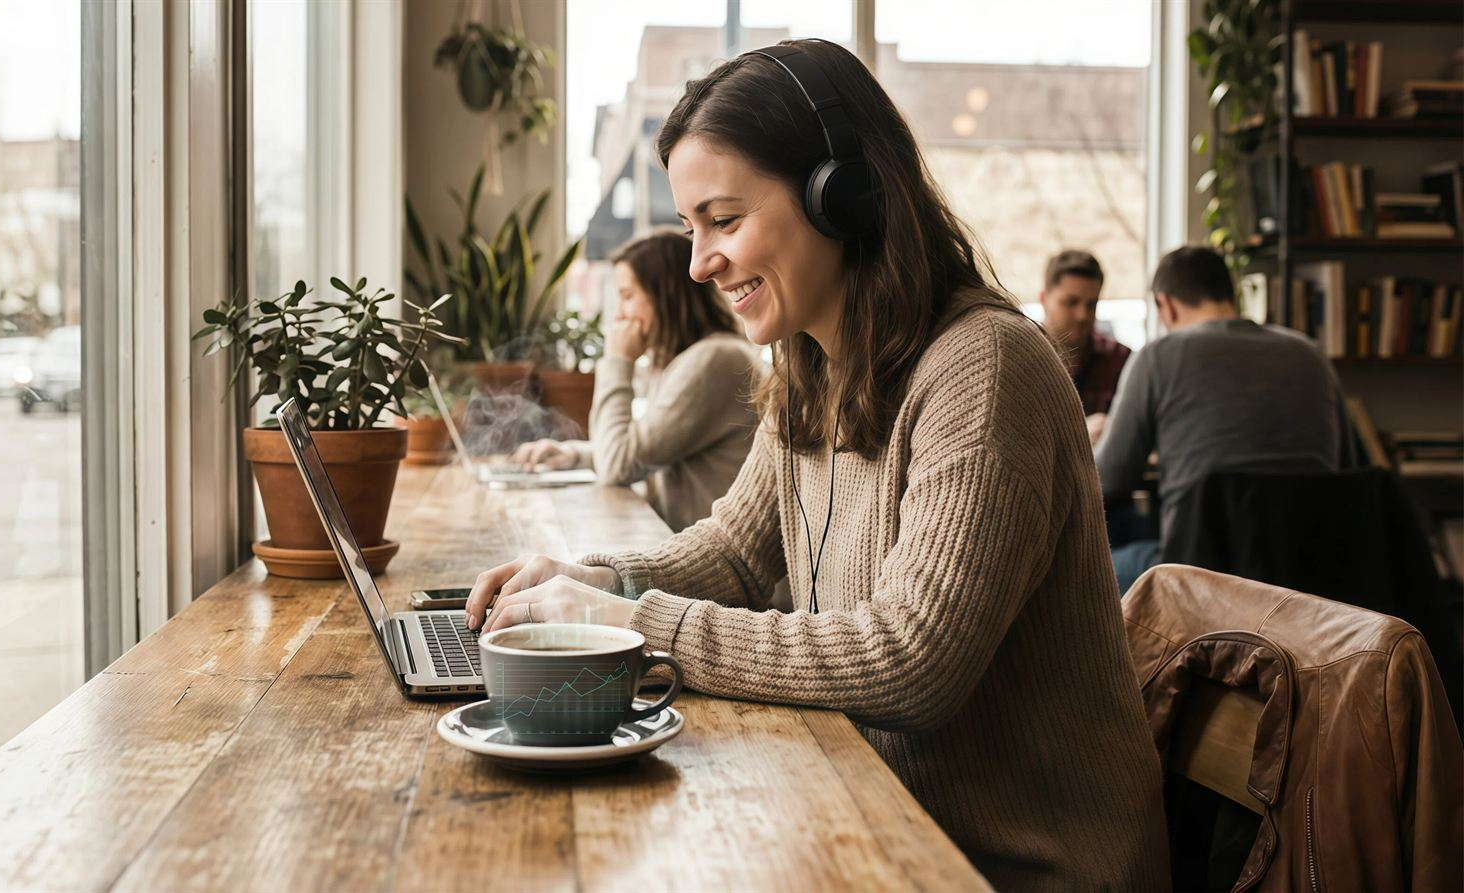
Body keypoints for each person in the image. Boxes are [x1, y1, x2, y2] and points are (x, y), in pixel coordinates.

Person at [466, 39, 1169, 889]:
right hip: (879, 817)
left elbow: (913, 661)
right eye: (692, 228)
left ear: (843, 196)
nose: (699, 263)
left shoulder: (985, 369)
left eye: (725, 221)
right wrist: (590, 580)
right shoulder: (809, 364)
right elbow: (734, 552)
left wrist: (635, 624)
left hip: (1017, 866)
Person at [1095, 245, 1355, 594]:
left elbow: (1108, 481)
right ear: (1229, 295)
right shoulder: (1311, 355)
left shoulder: (1157, 357)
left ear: (1165, 305)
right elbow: (1347, 468)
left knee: (1083, 570)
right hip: (1311, 579)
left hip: (1201, 577)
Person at [510, 232, 761, 532]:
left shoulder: (714, 360)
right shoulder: (686, 360)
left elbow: (618, 465)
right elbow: (643, 450)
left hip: (714, 564)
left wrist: (618, 361)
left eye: (627, 296)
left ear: (665, 294)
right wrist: (574, 454)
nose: (619, 314)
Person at [1038, 249, 1130, 444]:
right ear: (1043, 299)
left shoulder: (1121, 359)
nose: (1082, 315)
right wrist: (1078, 436)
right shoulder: (1020, 359)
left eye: (1092, 304)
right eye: (1071, 302)